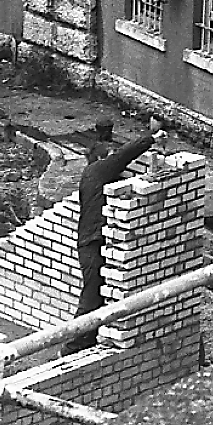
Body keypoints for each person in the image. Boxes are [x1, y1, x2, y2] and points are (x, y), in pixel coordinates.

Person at [67, 119, 165, 353]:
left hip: (96, 243)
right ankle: (71, 347)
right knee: (91, 298)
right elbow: (122, 156)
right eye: (109, 158)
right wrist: (152, 139)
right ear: (102, 160)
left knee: (98, 295)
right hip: (91, 245)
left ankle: (86, 341)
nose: (115, 165)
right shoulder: (95, 171)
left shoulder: (94, 178)